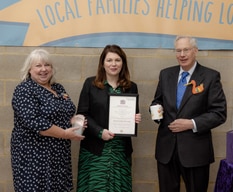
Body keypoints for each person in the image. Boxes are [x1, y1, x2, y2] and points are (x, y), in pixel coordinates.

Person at [150, 35, 227, 192]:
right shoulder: (166, 75)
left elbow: (219, 113)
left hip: (195, 151)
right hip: (166, 151)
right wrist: (156, 112)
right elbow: (157, 101)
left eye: (186, 50)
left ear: (195, 51)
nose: (182, 54)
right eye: (178, 50)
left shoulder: (210, 76)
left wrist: (191, 123)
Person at [11, 49, 85, 192]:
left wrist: (75, 122)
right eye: (38, 66)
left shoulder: (58, 88)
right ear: (29, 70)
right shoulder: (24, 90)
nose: (43, 69)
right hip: (34, 157)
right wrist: (64, 134)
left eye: (47, 65)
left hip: (59, 156)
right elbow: (35, 122)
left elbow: (64, 112)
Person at [76, 44, 141, 192]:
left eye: (117, 60)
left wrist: (135, 118)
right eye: (109, 60)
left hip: (120, 150)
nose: (113, 64)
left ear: (123, 63)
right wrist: (100, 132)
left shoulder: (131, 87)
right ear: (102, 63)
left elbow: (132, 114)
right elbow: (82, 114)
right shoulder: (90, 84)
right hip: (95, 149)